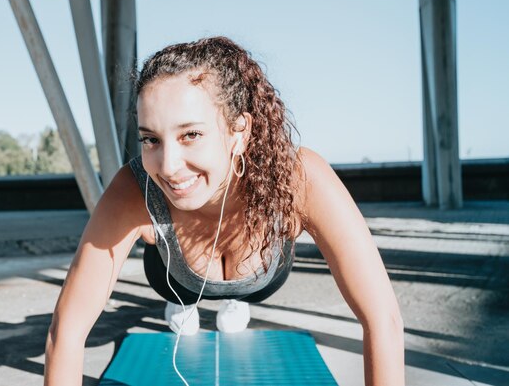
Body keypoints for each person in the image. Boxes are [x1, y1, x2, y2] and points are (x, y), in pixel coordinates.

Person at [43, 36, 405, 386]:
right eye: (150, 139)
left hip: (260, 279)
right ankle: (186, 304)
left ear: (239, 131)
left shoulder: (299, 179)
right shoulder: (134, 188)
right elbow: (68, 329)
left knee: (242, 296)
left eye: (191, 135)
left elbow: (382, 318)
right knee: (181, 298)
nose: (168, 167)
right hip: (174, 278)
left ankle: (233, 301)